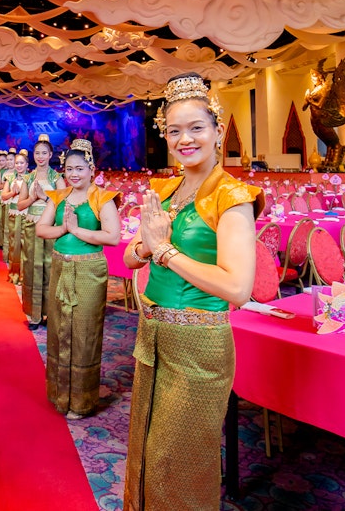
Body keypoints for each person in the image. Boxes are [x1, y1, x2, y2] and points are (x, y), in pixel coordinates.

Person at [121, 72, 262, 510]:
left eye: (196, 127)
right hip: (153, 337)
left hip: (200, 341)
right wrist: (148, 243)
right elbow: (129, 257)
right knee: (145, 452)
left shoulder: (231, 195)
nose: (185, 139)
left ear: (218, 131)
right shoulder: (165, 189)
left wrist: (162, 250)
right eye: (174, 130)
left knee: (177, 461)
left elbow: (238, 288)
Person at [35, 139, 120, 420]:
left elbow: (112, 237)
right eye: (69, 169)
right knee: (59, 329)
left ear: (91, 169)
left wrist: (76, 230)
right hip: (61, 266)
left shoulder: (102, 198)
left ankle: (81, 401)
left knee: (84, 333)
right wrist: (63, 228)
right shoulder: (58, 197)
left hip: (89, 271)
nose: (74, 174)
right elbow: (41, 229)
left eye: (80, 169)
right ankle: (60, 396)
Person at [18, 134, 65, 329]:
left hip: (51, 229)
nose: (40, 156)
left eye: (44, 153)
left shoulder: (57, 178)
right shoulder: (28, 178)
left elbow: (63, 206)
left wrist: (45, 198)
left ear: (51, 154)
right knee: (31, 268)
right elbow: (20, 205)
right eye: (37, 153)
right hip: (31, 227)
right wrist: (32, 198)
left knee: (51, 269)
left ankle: (49, 313)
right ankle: (34, 315)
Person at [1, 149, 29, 284]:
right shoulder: (10, 178)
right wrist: (13, 193)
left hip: (27, 215)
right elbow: (3, 196)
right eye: (17, 163)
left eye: (21, 163)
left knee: (27, 245)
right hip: (13, 215)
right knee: (14, 245)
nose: (19, 165)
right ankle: (14, 273)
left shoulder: (31, 178)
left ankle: (25, 274)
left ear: (27, 165)